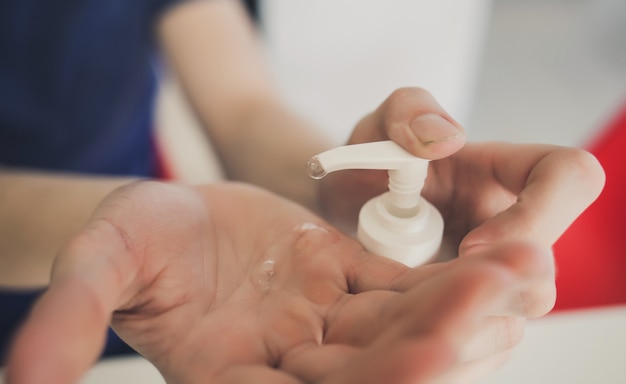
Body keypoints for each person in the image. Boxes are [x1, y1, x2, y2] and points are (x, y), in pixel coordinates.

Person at [0, 0, 605, 383]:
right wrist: (124, 231)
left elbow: (242, 107)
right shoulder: (173, 268)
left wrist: (335, 184)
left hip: (169, 295)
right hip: (100, 286)